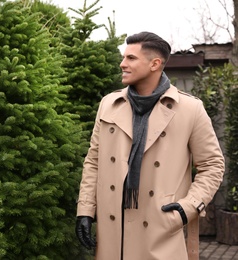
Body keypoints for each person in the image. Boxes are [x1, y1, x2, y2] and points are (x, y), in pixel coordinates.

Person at [75, 31, 225, 260]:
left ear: (155, 64)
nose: (122, 63)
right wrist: (85, 210)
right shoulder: (109, 104)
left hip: (160, 229)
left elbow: (212, 165)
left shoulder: (189, 109)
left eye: (131, 58)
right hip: (112, 231)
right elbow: (94, 161)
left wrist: (187, 208)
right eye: (124, 57)